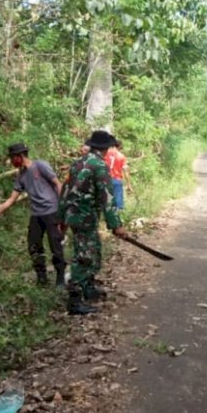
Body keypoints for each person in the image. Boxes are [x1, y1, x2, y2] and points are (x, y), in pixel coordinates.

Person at [58, 130, 128, 315]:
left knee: (93, 249)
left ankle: (89, 289)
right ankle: (74, 300)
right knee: (85, 256)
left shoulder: (78, 163)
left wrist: (61, 217)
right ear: (106, 148)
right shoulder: (99, 166)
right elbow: (107, 197)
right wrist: (116, 225)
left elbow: (65, 191)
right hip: (85, 216)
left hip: (74, 216)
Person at [0, 143, 66, 286]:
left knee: (55, 245)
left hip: (52, 211)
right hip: (36, 214)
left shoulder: (40, 166)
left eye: (13, 158)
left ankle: (60, 278)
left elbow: (58, 184)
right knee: (33, 246)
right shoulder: (21, 175)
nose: (12, 162)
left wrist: (62, 209)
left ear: (20, 156)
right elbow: (11, 200)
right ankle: (41, 278)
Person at [104, 139, 131, 210]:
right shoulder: (121, 156)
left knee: (106, 200)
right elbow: (125, 171)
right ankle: (118, 216)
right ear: (119, 146)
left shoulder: (105, 154)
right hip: (116, 179)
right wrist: (129, 184)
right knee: (118, 202)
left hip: (105, 179)